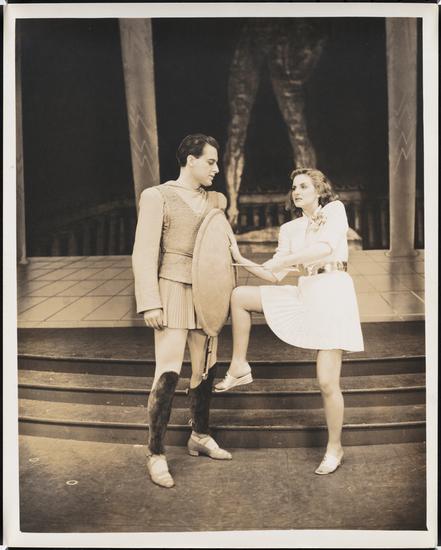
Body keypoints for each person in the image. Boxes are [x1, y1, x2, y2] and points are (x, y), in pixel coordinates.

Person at [215, 168, 364, 475]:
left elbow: (324, 248)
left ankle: (334, 447)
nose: (296, 191)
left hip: (333, 292)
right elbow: (274, 274)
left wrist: (283, 260)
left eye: (304, 186)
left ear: (319, 190)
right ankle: (239, 366)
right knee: (240, 296)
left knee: (327, 382)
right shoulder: (289, 229)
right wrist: (243, 260)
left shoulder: (335, 210)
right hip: (305, 292)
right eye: (294, 187)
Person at [132, 134, 232, 489]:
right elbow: (144, 252)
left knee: (205, 369)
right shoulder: (157, 196)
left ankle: (200, 435)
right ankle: (156, 453)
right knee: (168, 372)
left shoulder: (216, 200)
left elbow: (222, 249)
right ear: (190, 160)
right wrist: (150, 301)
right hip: (172, 289)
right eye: (210, 162)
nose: (216, 169)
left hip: (208, 292)